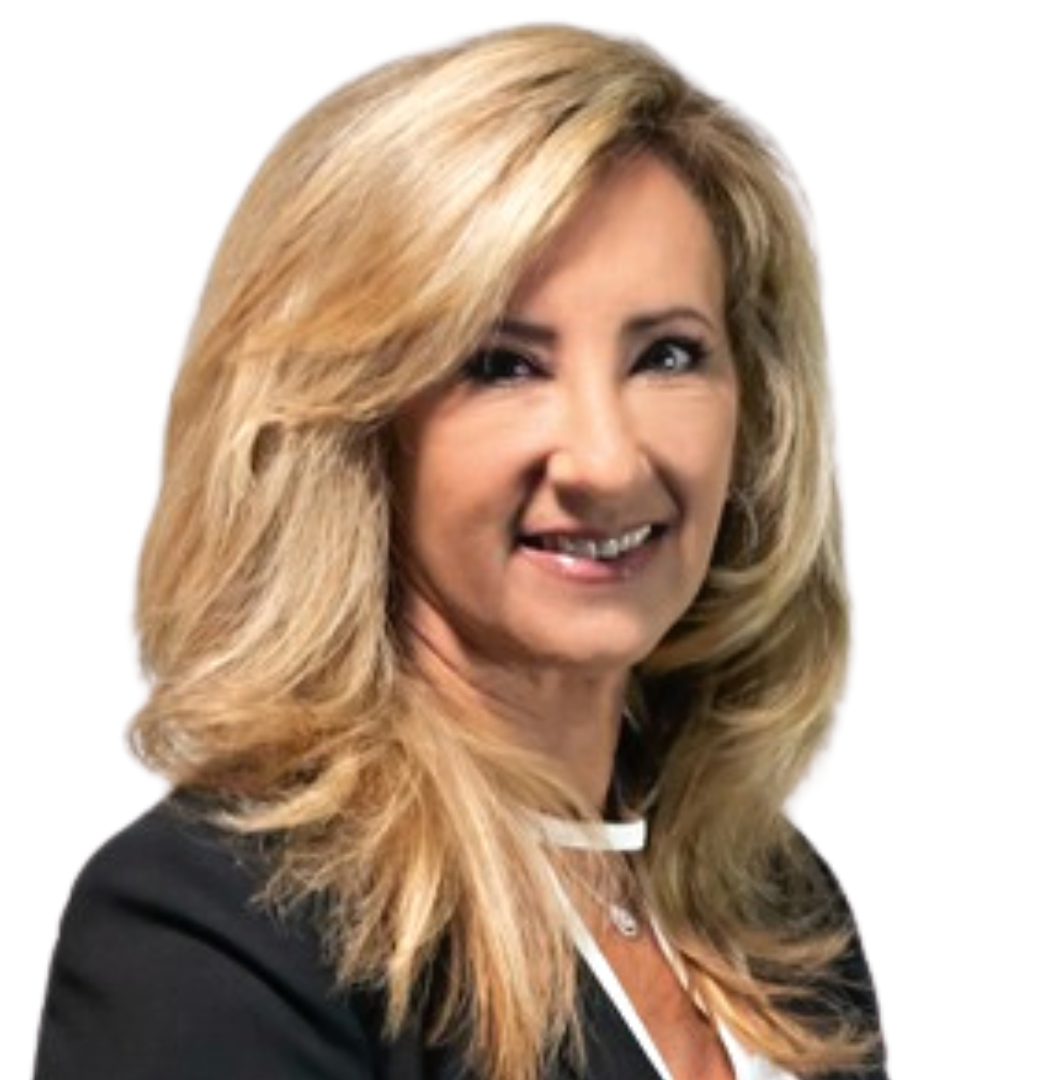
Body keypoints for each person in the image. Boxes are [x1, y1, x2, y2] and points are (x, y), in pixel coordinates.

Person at [34, 23, 887, 1080]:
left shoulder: (778, 911)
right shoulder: (213, 933)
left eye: (667, 355)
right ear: (352, 428)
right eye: (501, 365)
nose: (607, 460)